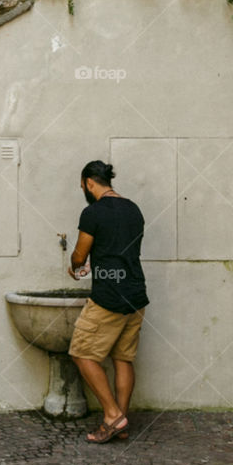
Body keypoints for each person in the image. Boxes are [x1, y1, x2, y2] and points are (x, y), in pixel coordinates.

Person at [67, 160, 148, 443]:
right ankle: (120, 424)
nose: (84, 191)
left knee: (81, 353)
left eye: (83, 186)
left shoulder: (92, 212)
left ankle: (113, 415)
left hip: (109, 298)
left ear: (90, 182)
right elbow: (118, 250)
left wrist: (76, 264)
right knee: (123, 358)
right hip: (136, 294)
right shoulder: (133, 209)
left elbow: (80, 255)